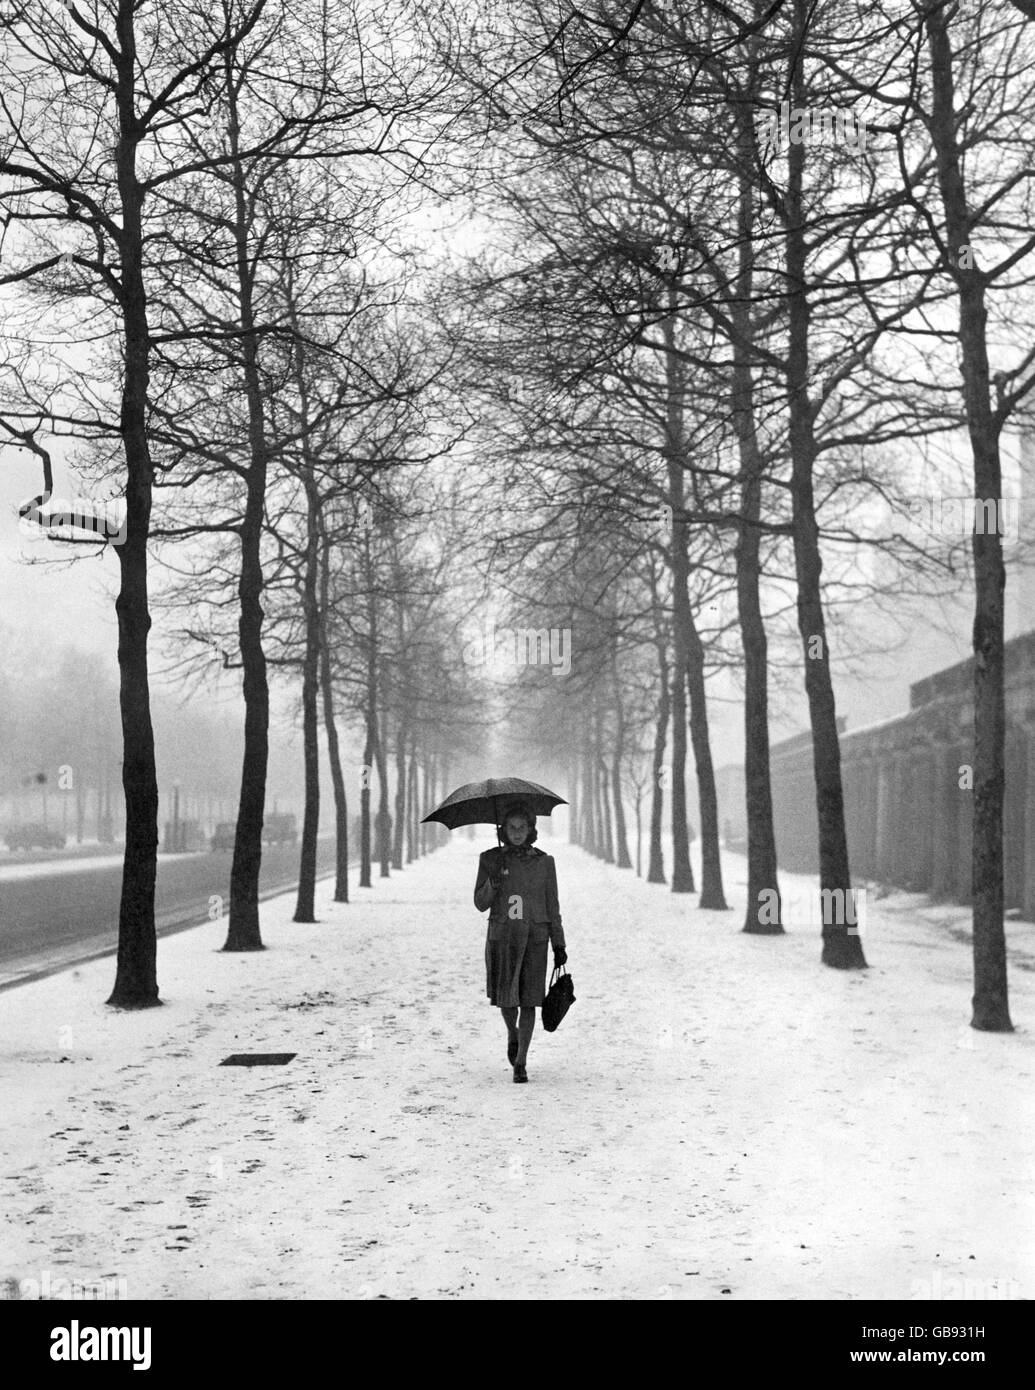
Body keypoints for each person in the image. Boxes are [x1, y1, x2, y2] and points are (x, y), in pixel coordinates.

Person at [473, 803, 567, 1083]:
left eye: (521, 828)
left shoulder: (544, 862)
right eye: (511, 828)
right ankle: (512, 1034)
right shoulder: (490, 859)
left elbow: (553, 905)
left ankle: (521, 1061)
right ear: (504, 830)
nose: (516, 833)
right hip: (502, 939)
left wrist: (559, 944)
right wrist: (493, 881)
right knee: (506, 999)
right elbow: (480, 903)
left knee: (529, 1002)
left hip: (535, 940)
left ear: (531, 830)